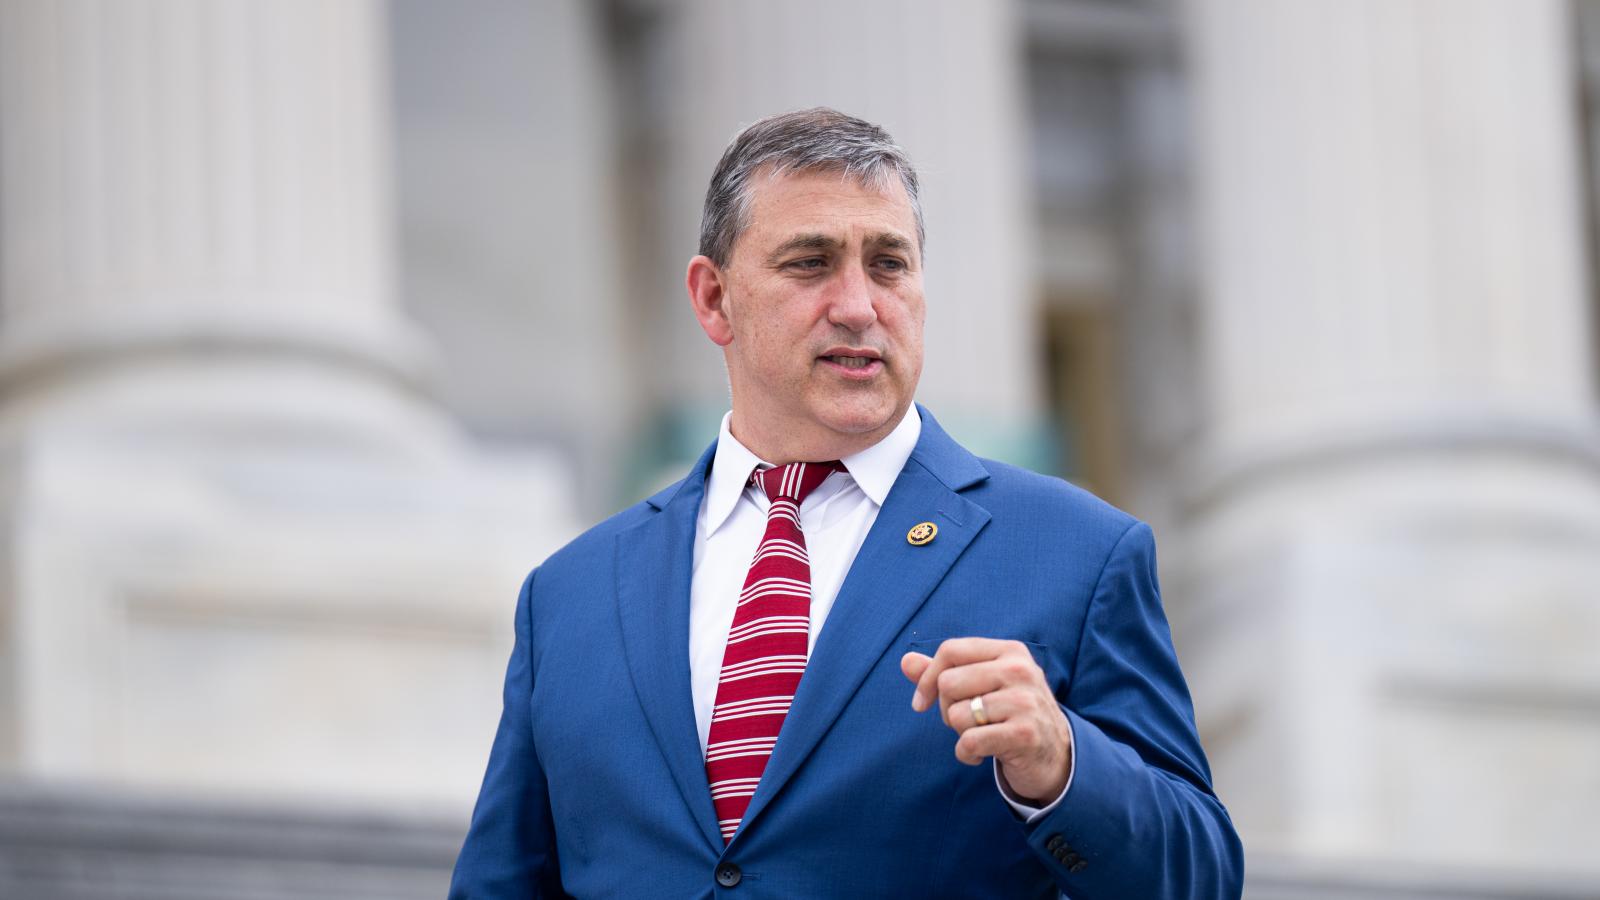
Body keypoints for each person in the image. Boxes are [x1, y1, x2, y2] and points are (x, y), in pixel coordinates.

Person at [449, 107, 1243, 898]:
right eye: (811, 262)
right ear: (715, 299)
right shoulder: (568, 596)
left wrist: (1064, 767)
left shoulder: (1077, 553)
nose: (860, 305)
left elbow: (1201, 877)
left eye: (889, 264)